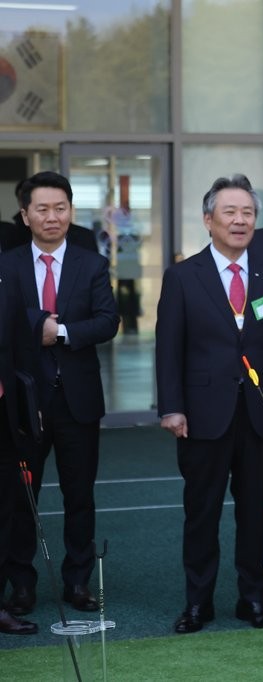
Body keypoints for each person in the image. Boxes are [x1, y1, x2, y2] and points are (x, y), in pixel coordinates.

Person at [155, 174, 263, 634]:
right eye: (230, 212)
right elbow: (168, 348)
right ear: (208, 219)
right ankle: (198, 603)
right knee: (202, 513)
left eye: (248, 213)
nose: (240, 221)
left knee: (257, 513)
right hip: (201, 416)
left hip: (259, 415)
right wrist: (171, 407)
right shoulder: (182, 276)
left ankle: (253, 598)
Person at [0, 172, 119, 617]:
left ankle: (77, 582)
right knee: (20, 498)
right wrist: (37, 326)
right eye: (43, 209)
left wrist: (61, 331)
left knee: (79, 496)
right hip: (21, 405)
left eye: (61, 208)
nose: (53, 217)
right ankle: (22, 585)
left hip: (77, 401)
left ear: (71, 211)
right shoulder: (7, 264)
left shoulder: (91, 263)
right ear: (26, 215)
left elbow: (108, 321)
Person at [0, 267, 42, 635]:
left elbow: (20, 348)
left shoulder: (5, 280)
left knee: (4, 513)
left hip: (4, 419)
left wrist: (29, 409)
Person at [0, 179, 99, 254]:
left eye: (59, 208)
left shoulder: (84, 236)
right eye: (42, 208)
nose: (51, 218)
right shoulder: (13, 235)